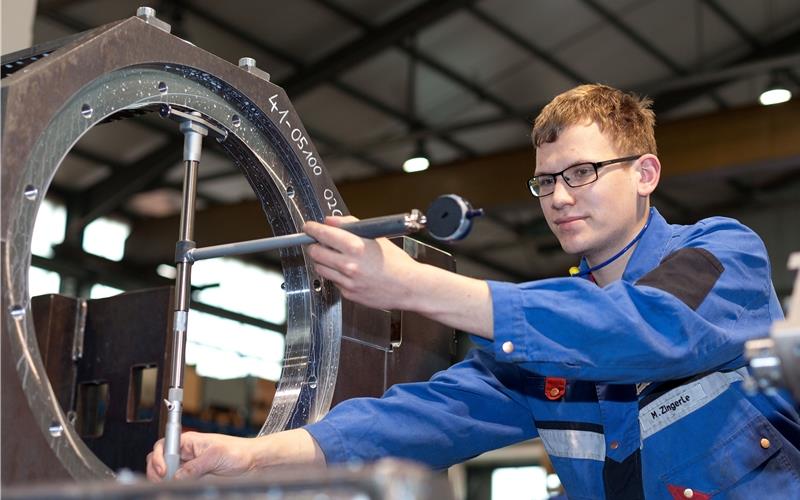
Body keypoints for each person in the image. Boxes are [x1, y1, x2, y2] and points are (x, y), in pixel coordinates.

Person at [147, 84, 800, 498]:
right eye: (546, 181)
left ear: (645, 172)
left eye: (583, 172)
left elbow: (647, 328)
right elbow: (428, 416)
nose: (561, 197)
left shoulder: (722, 253)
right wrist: (257, 456)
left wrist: (413, 285)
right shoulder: (540, 343)